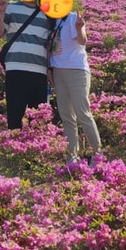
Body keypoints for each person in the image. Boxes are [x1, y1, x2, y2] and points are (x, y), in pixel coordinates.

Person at [48, 10, 103, 164]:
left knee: (82, 113)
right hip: (58, 71)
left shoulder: (72, 17)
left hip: (76, 69)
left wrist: (79, 29)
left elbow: (82, 41)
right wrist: (49, 69)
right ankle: (72, 156)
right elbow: (50, 49)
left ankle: (97, 153)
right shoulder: (52, 22)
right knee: (66, 116)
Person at [0, 0, 53, 129]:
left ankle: (36, 148)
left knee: (38, 118)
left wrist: (49, 69)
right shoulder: (11, 7)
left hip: (39, 71)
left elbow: (48, 46)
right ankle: (15, 147)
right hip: (16, 67)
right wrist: (1, 13)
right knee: (15, 114)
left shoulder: (47, 15)